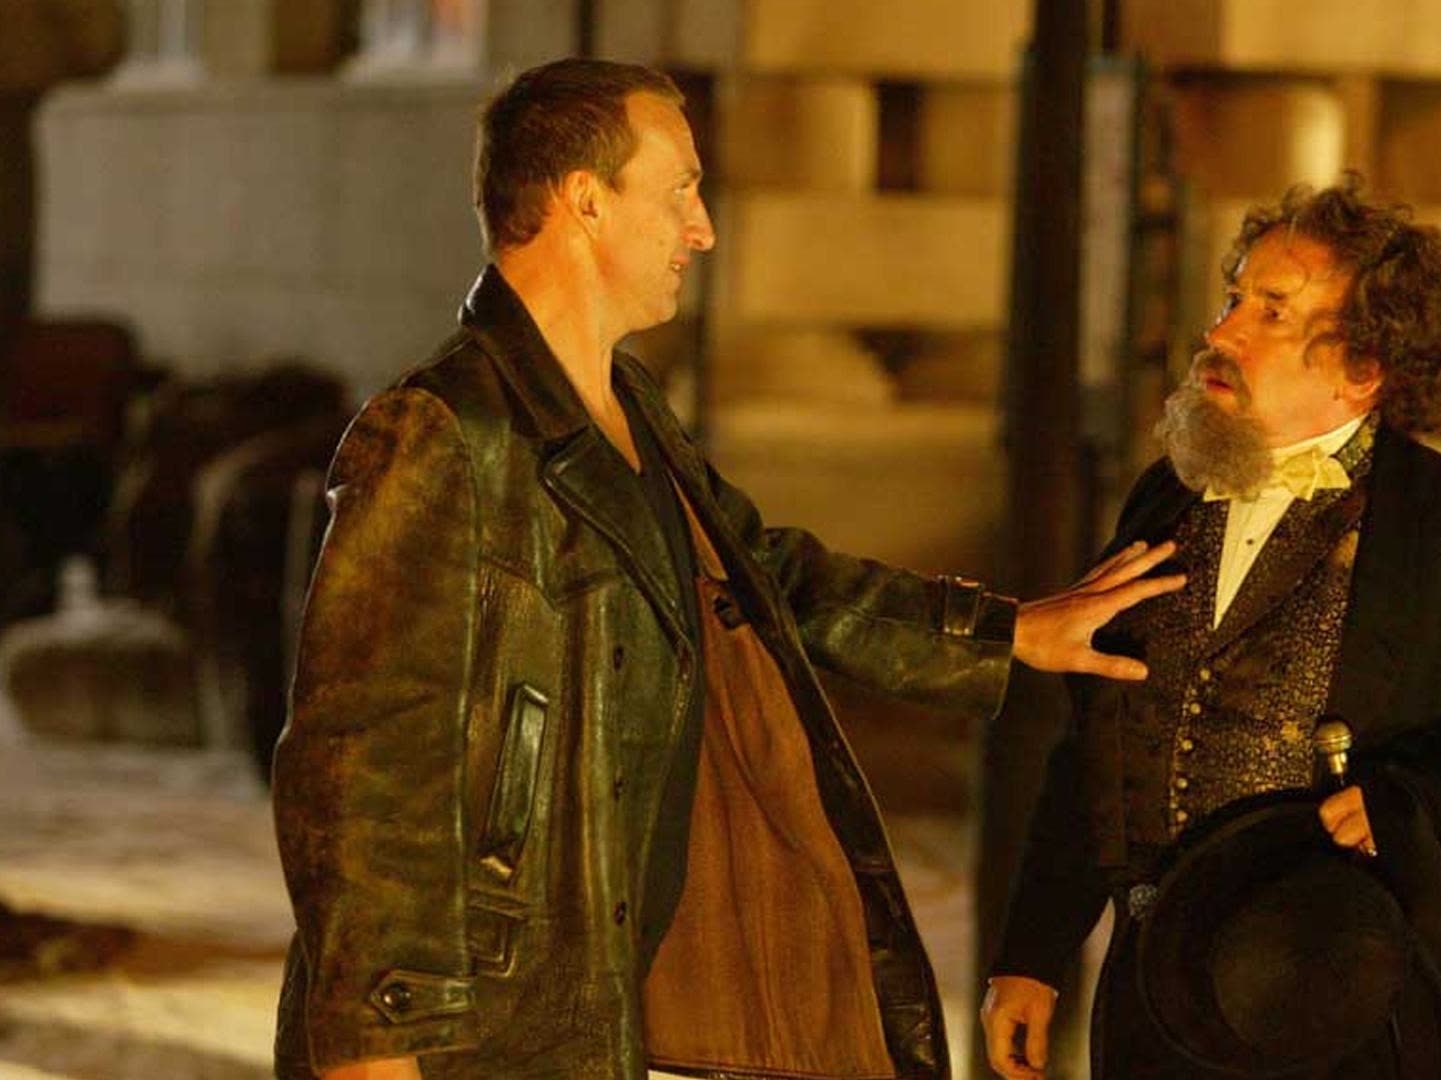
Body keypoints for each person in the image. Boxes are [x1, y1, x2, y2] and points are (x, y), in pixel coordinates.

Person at [271, 58, 1181, 1080]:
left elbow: (764, 577)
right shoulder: (442, 431)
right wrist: (377, 1046)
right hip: (472, 1030)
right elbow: (358, 770)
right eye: (679, 191)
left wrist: (1003, 633)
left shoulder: (627, 405)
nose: (701, 230)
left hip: (575, 1016)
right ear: (585, 200)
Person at [980, 177, 1441, 1078]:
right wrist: (1032, 954)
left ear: (1361, 368)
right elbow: (1096, 737)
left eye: (1272, 311)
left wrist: (1412, 807)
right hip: (1155, 1011)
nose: (1221, 334)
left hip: (1346, 1008)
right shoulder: (1165, 497)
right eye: (1233, 299)